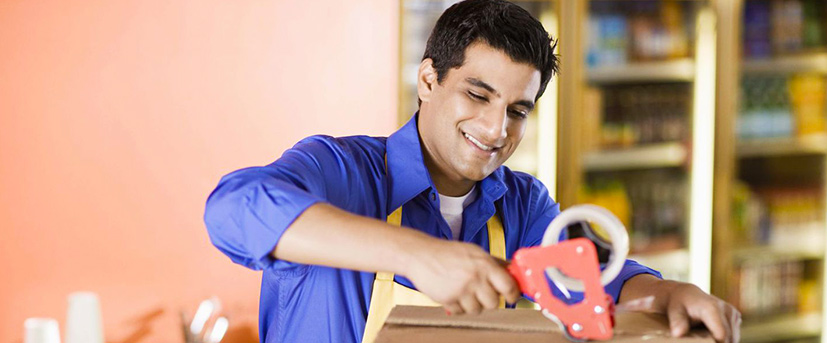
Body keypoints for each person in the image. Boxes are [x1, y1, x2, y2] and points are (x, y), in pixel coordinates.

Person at [204, 1, 741, 342]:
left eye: (517, 110)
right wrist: (419, 255)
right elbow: (232, 209)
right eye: (477, 95)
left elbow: (595, 282)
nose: (495, 127)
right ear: (429, 80)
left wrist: (669, 296)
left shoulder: (522, 206)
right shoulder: (343, 170)